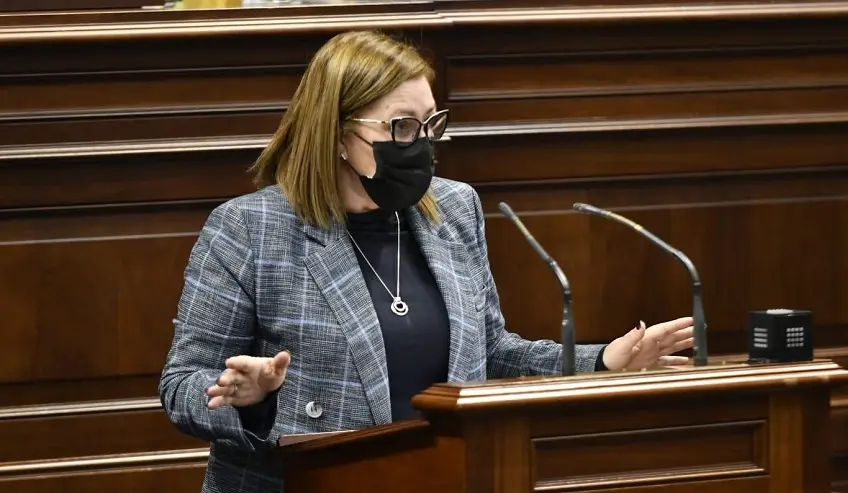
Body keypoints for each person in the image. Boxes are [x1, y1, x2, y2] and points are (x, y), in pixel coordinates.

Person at [158, 30, 694, 493]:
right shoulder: (250, 229)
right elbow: (182, 384)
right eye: (403, 127)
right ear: (341, 135)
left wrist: (602, 362)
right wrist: (252, 399)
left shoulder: (452, 210)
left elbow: (492, 355)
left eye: (429, 124)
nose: (424, 145)